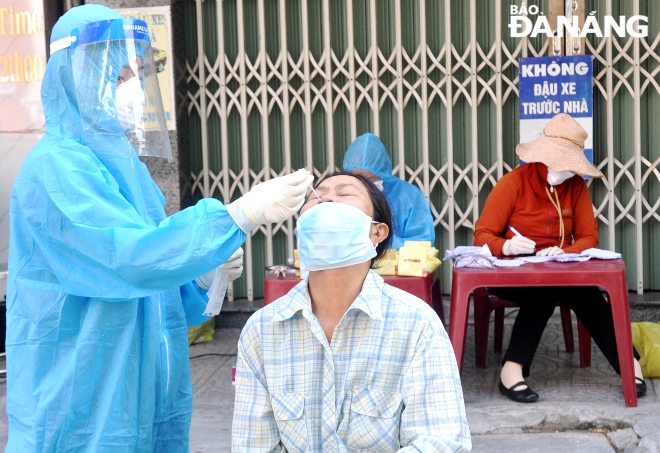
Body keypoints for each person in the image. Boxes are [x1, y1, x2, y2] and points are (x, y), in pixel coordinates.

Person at [5, 5, 312, 451]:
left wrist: (201, 278)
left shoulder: (126, 170)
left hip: (143, 398)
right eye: (118, 77)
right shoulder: (56, 168)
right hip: (81, 404)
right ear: (76, 78)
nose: (129, 90)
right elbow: (128, 260)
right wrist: (234, 217)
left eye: (133, 77)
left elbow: (155, 290)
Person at [232, 171, 471, 452]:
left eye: (345, 194)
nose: (328, 198)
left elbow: (441, 441)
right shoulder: (262, 330)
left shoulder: (417, 324)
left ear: (376, 232)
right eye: (316, 196)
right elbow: (253, 444)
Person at [474, 113, 646, 403]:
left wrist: (564, 252)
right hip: (511, 273)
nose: (564, 170)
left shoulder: (576, 187)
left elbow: (589, 237)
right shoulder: (513, 183)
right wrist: (507, 246)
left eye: (570, 165)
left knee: (589, 295)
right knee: (541, 294)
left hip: (557, 269)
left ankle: (629, 365)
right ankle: (511, 372)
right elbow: (483, 235)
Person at [343, 133, 435, 249]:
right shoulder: (340, 197)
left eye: (371, 179)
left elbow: (422, 244)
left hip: (399, 266)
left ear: (382, 172)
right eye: (358, 179)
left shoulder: (409, 196)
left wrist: (383, 240)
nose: (365, 185)